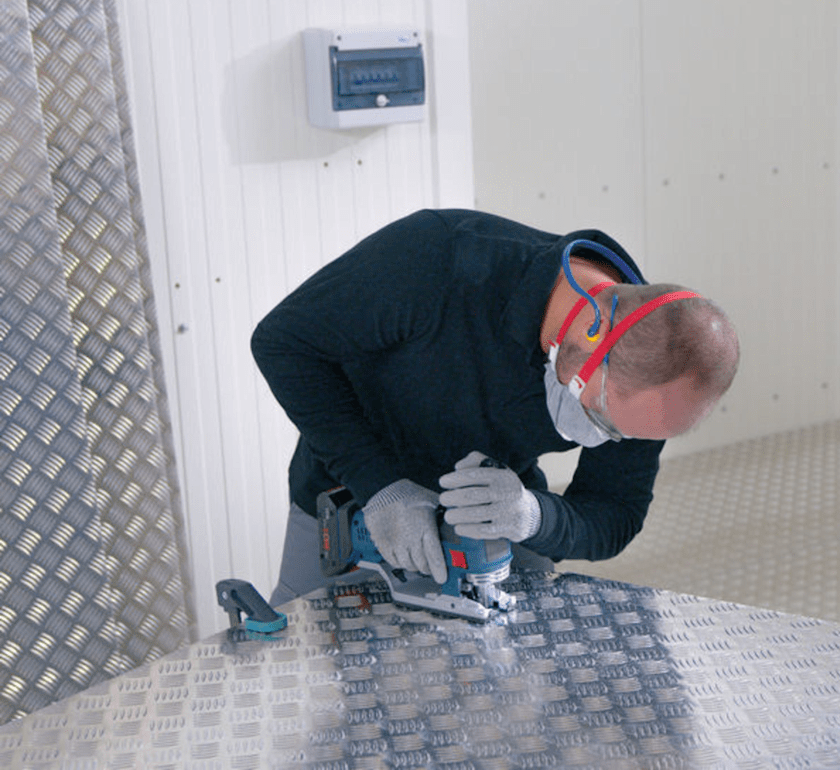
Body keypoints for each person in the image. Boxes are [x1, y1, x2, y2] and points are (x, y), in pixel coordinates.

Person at [251, 209, 739, 606]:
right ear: (591, 332)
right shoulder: (439, 257)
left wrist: (534, 517)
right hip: (352, 500)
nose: (601, 437)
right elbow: (282, 343)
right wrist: (378, 485)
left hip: (488, 518)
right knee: (314, 660)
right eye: (598, 415)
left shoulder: (652, 370)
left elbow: (615, 513)